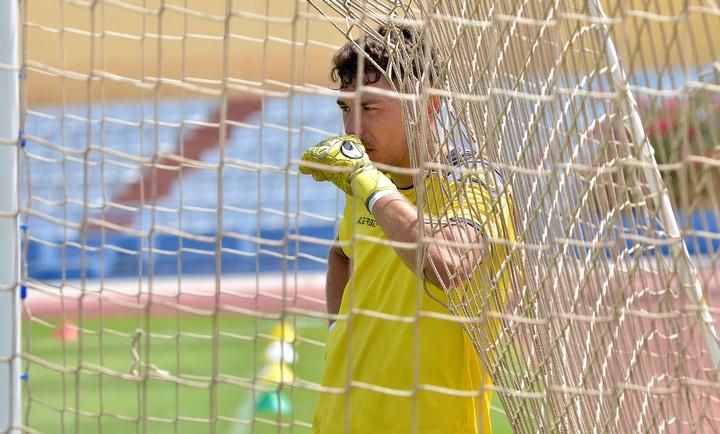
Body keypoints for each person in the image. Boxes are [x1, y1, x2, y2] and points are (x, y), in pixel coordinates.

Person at [299, 23, 516, 434]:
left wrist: (368, 185)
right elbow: (341, 254)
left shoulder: (479, 184)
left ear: (428, 105)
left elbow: (446, 263)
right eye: (346, 108)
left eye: (371, 109)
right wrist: (337, 333)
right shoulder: (370, 182)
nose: (353, 130)